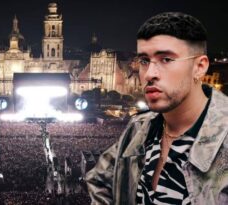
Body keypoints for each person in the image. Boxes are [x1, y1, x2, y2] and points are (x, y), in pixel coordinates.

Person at [86, 12, 228, 205]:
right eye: (144, 61)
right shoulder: (140, 127)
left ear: (200, 67)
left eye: (166, 60)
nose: (149, 74)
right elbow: (98, 179)